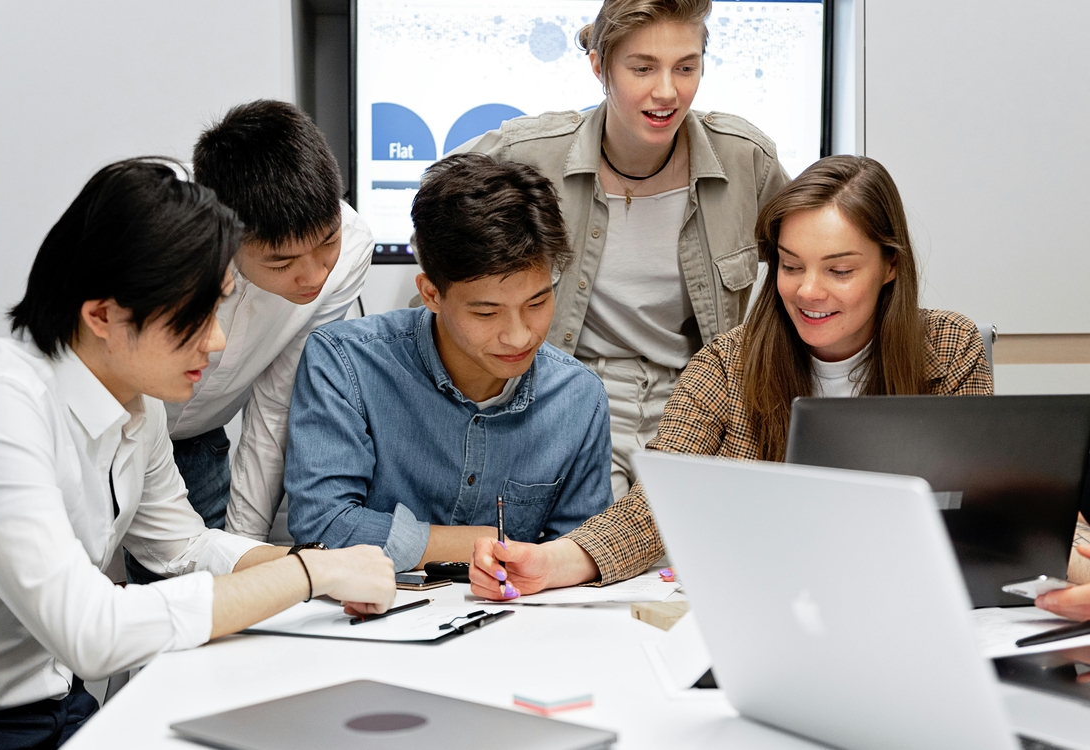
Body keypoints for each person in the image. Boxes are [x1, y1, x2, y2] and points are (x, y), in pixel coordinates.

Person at [0, 160, 394, 747]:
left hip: (56, 704)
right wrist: (309, 573)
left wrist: (322, 565)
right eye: (193, 320)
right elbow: (92, 633)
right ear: (102, 315)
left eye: (220, 308)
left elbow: (183, 546)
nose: (219, 340)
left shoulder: (136, 401)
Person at [469, 154, 993, 600]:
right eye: (791, 266)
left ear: (891, 266)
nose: (809, 291)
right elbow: (654, 509)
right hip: (776, 608)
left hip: (911, 602)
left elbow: (989, 504)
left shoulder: (949, 350)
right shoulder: (727, 365)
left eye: (839, 271)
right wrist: (554, 561)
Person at [458, 0, 789, 499]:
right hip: (571, 398)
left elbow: (809, 264)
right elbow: (436, 228)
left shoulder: (746, 159)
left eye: (686, 68)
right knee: (590, 548)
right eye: (642, 68)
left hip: (698, 402)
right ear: (599, 66)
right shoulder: (528, 154)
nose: (666, 91)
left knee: (703, 552)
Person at [259, 154, 613, 573]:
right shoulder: (345, 364)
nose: (519, 336)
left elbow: (580, 553)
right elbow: (324, 527)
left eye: (537, 302)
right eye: (486, 313)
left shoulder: (578, 397)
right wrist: (487, 543)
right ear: (430, 294)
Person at [125, 100, 375, 586]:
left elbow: (276, 404)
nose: (315, 275)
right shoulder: (165, 244)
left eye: (327, 241)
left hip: (197, 440)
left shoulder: (353, 249)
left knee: (189, 585)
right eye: (281, 263)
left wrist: (249, 557)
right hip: (117, 427)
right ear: (225, 234)